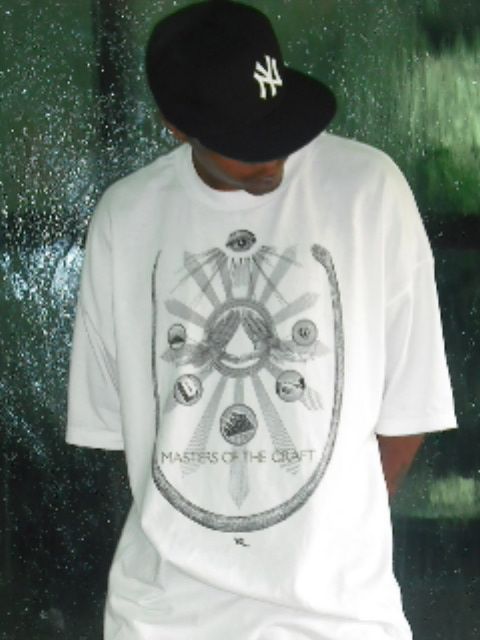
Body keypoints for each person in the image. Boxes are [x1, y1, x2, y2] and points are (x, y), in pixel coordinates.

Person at [66, 1, 457, 638]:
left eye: (281, 127)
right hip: (163, 619)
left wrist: (325, 535)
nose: (273, 159)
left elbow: (411, 409)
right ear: (175, 128)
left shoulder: (368, 190)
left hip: (340, 617)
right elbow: (126, 432)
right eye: (247, 147)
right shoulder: (126, 216)